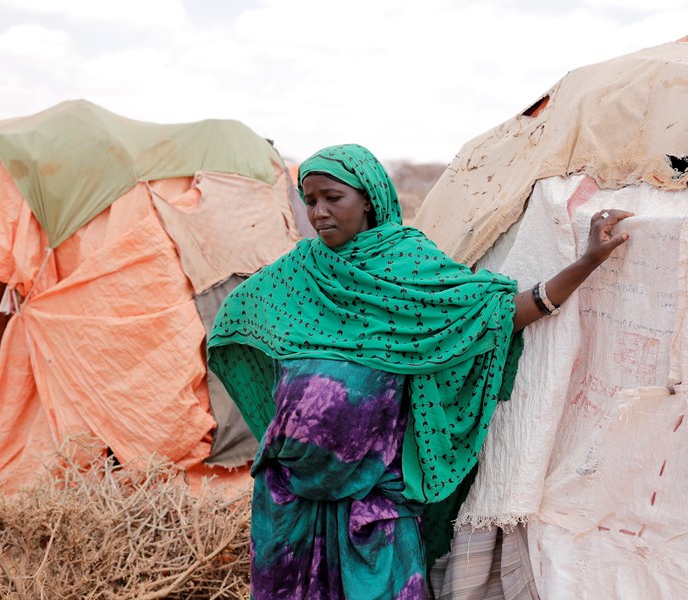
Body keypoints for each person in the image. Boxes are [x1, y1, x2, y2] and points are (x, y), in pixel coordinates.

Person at [208, 144, 632, 599]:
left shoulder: (412, 268)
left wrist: (586, 262)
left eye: (332, 197)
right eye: (310, 200)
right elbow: (236, 318)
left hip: (373, 504)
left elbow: (496, 312)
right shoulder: (299, 271)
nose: (318, 212)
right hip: (289, 498)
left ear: (368, 197)